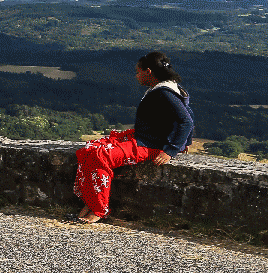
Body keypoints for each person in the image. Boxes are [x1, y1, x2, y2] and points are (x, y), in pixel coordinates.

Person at [73, 51, 194, 224]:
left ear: (149, 72)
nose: (136, 75)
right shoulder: (169, 87)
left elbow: (186, 120)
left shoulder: (163, 92)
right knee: (90, 149)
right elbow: (189, 111)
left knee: (99, 155)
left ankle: (99, 209)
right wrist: (186, 141)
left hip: (150, 144)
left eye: (138, 72)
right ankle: (91, 202)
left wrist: (172, 150)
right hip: (145, 138)